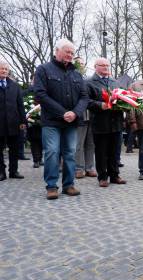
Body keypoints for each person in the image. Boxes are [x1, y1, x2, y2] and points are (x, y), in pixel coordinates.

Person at [34, 38, 89, 199]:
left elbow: (84, 97)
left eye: (72, 52)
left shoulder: (77, 74)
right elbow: (40, 94)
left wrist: (75, 113)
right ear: (57, 51)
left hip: (71, 122)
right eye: (67, 51)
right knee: (52, 152)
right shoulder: (43, 70)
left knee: (70, 153)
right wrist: (62, 112)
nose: (70, 55)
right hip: (51, 121)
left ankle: (68, 185)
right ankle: (51, 186)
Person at [86, 57, 127, 187]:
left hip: (116, 121)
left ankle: (115, 175)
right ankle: (102, 177)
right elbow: (86, 101)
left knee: (115, 151)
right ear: (95, 66)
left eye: (107, 66)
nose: (105, 68)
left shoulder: (115, 82)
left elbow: (122, 98)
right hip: (100, 122)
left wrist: (125, 105)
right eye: (102, 65)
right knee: (101, 151)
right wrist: (100, 105)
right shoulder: (89, 82)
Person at [0, 60, 26, 181]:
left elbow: (20, 105)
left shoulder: (15, 86)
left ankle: (13, 171)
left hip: (14, 122)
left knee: (14, 148)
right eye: (1, 69)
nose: (4, 71)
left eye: (6, 69)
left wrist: (22, 121)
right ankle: (1, 172)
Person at [74, 57, 97, 179]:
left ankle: (90, 167)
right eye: (78, 63)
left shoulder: (89, 80)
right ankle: (79, 167)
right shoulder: (72, 79)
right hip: (79, 116)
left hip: (91, 115)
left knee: (91, 143)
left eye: (82, 63)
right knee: (79, 143)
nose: (80, 65)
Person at [24, 75, 44, 168]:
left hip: (43, 120)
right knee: (34, 140)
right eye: (34, 79)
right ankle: (36, 160)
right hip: (31, 120)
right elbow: (23, 103)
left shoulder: (44, 91)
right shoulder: (27, 92)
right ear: (31, 80)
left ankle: (40, 158)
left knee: (42, 140)